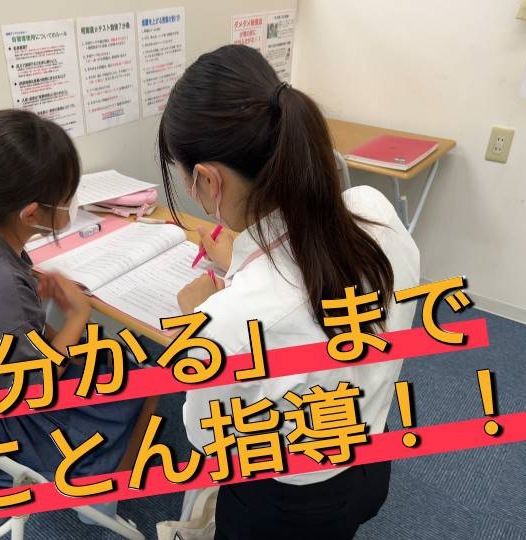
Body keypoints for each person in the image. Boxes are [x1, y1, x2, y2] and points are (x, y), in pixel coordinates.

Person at [158, 45, 420, 539]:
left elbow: (207, 437)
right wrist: (240, 266)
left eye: (186, 180)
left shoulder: (229, 324)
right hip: (370, 448)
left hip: (286, 501)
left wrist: (196, 327)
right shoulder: (376, 211)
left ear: (208, 180)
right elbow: (304, 293)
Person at [0, 109, 148, 518]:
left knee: (104, 357)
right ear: (31, 214)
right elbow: (36, 388)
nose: (72, 204)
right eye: (68, 197)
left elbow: (12, 336)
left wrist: (59, 330)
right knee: (144, 382)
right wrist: (77, 316)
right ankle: (100, 498)